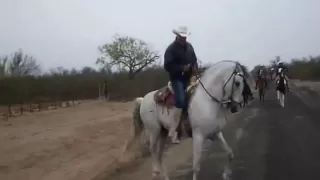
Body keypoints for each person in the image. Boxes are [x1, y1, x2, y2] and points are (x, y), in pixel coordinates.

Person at [164, 26, 198, 143]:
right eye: (181, 37)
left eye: (185, 37)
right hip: (177, 78)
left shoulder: (190, 47)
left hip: (189, 78)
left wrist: (194, 69)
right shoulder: (171, 49)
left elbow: (194, 60)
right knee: (180, 101)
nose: (183, 39)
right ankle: (174, 130)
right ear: (177, 36)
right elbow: (167, 66)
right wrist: (181, 68)